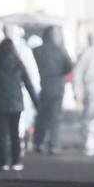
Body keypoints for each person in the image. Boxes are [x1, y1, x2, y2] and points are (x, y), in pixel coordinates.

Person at [0, 38, 39, 171]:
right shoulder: (18, 63)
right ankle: (16, 161)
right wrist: (36, 102)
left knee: (2, 134)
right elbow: (28, 84)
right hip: (16, 103)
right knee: (15, 134)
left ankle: (3, 163)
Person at [33, 26, 73, 154]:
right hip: (58, 86)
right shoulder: (61, 50)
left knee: (42, 115)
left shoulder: (37, 50)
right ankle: (53, 144)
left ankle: (38, 142)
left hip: (43, 85)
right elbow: (69, 66)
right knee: (55, 116)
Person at [5, 24, 41, 152]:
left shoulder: (1, 51)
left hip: (6, 91)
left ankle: (14, 144)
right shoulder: (25, 51)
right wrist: (36, 89)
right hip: (22, 90)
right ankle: (20, 143)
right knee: (23, 117)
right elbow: (32, 72)